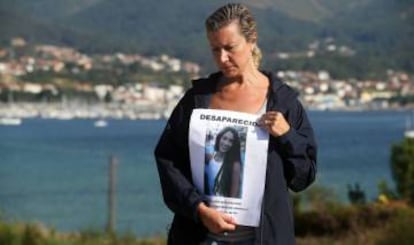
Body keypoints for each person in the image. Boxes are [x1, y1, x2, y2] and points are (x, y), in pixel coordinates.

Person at [154, 3, 317, 244]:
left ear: (252, 41)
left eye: (230, 48)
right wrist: (199, 209)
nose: (222, 58)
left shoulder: (284, 102)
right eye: (215, 49)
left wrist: (287, 135)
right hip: (201, 238)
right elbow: (168, 160)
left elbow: (303, 177)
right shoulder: (197, 100)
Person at [204, 127, 242, 198]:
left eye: (231, 141)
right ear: (219, 138)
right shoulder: (209, 157)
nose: (226, 143)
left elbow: (233, 196)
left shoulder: (235, 165)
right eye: (224, 138)